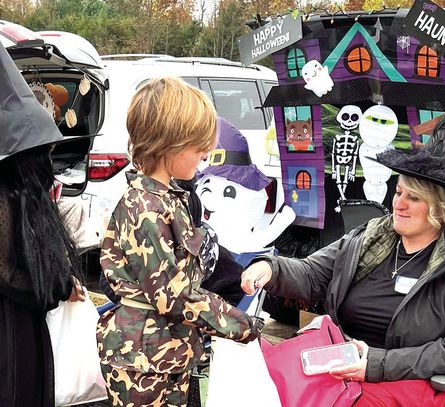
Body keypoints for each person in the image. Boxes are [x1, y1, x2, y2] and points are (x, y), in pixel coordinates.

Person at [241, 148, 445, 406]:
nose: (398, 204)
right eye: (399, 192)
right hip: (344, 364)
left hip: (414, 380)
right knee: (262, 378)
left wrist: (377, 364)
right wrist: (270, 268)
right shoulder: (371, 237)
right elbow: (313, 274)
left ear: (440, 208)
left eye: (413, 198)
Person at [96, 77, 263, 407]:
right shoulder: (146, 207)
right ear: (168, 144)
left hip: (164, 354)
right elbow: (175, 296)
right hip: (142, 362)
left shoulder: (168, 199)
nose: (205, 153)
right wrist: (246, 327)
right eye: (198, 145)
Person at [0, 43, 86, 406]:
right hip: (10, 337)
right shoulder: (8, 197)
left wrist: (60, 282)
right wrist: (57, 285)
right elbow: (9, 273)